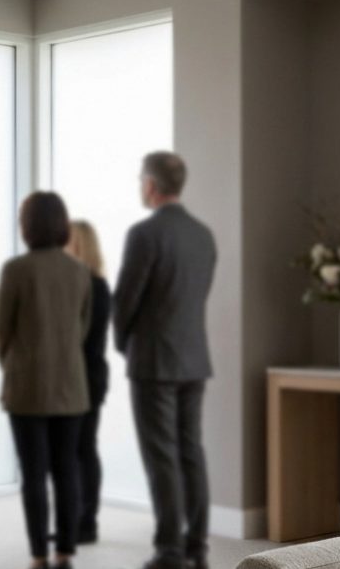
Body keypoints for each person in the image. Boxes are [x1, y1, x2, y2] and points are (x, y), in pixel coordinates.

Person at [113, 152, 217, 569]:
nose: (141, 187)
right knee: (191, 450)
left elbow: (126, 300)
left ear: (152, 185)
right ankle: (197, 548)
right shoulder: (203, 234)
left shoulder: (144, 233)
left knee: (162, 455)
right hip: (194, 357)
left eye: (141, 180)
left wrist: (123, 341)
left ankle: (170, 551)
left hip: (154, 360)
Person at [0, 192, 92, 569]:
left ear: (27, 225)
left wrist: (15, 363)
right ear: (62, 224)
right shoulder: (79, 271)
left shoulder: (16, 269)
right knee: (67, 470)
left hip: (27, 388)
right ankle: (65, 551)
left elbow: (1, 332)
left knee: (33, 475)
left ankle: (39, 555)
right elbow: (81, 328)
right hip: (71, 386)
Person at [65, 220, 112, 544]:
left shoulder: (83, 285)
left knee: (77, 449)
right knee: (84, 448)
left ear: (78, 245)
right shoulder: (100, 284)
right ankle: (84, 519)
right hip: (93, 374)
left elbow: (76, 337)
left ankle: (84, 521)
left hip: (81, 375)